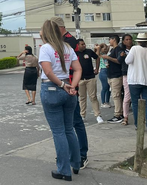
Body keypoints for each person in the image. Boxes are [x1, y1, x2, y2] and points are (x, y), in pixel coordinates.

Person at [39, 19, 82, 181]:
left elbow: (48, 72)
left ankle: (64, 170)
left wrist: (62, 85)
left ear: (45, 32)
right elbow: (78, 69)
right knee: (69, 129)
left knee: (58, 131)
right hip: (69, 88)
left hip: (52, 89)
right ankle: (76, 163)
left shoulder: (45, 49)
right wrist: (72, 86)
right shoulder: (68, 48)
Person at [50, 16, 89, 170]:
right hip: (64, 86)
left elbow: (75, 67)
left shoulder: (69, 41)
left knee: (75, 122)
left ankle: (81, 154)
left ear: (59, 28)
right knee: (67, 124)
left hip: (70, 86)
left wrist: (73, 86)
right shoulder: (63, 41)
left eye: (53, 29)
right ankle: (69, 154)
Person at [125, 33, 147, 135]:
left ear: (138, 41)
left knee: (135, 103)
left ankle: (138, 125)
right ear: (146, 42)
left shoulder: (134, 49)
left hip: (134, 80)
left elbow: (127, 61)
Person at [76, 39, 103, 123]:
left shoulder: (89, 51)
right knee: (82, 98)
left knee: (93, 97)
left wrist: (97, 69)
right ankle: (82, 115)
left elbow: (97, 58)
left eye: (84, 44)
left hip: (90, 78)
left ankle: (97, 115)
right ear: (78, 45)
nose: (84, 45)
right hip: (80, 79)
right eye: (82, 44)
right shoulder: (74, 53)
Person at [101, 35, 125, 123]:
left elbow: (119, 61)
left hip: (116, 75)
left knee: (116, 95)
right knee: (115, 95)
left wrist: (108, 58)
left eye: (110, 39)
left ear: (114, 40)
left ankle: (118, 114)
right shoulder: (112, 50)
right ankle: (119, 113)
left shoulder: (118, 49)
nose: (109, 41)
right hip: (111, 75)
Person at [120, 34, 134, 125]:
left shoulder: (135, 50)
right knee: (127, 96)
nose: (128, 41)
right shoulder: (122, 51)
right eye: (126, 39)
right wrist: (121, 56)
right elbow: (119, 60)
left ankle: (141, 116)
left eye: (130, 39)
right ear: (124, 41)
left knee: (139, 96)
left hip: (135, 74)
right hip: (126, 74)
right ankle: (125, 116)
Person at [96, 43, 111, 108]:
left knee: (108, 88)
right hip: (103, 71)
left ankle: (107, 101)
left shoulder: (107, 55)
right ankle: (103, 102)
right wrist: (98, 47)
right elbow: (97, 53)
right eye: (104, 49)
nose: (105, 50)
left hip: (108, 71)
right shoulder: (100, 55)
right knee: (104, 87)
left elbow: (109, 46)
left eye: (106, 49)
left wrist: (108, 46)